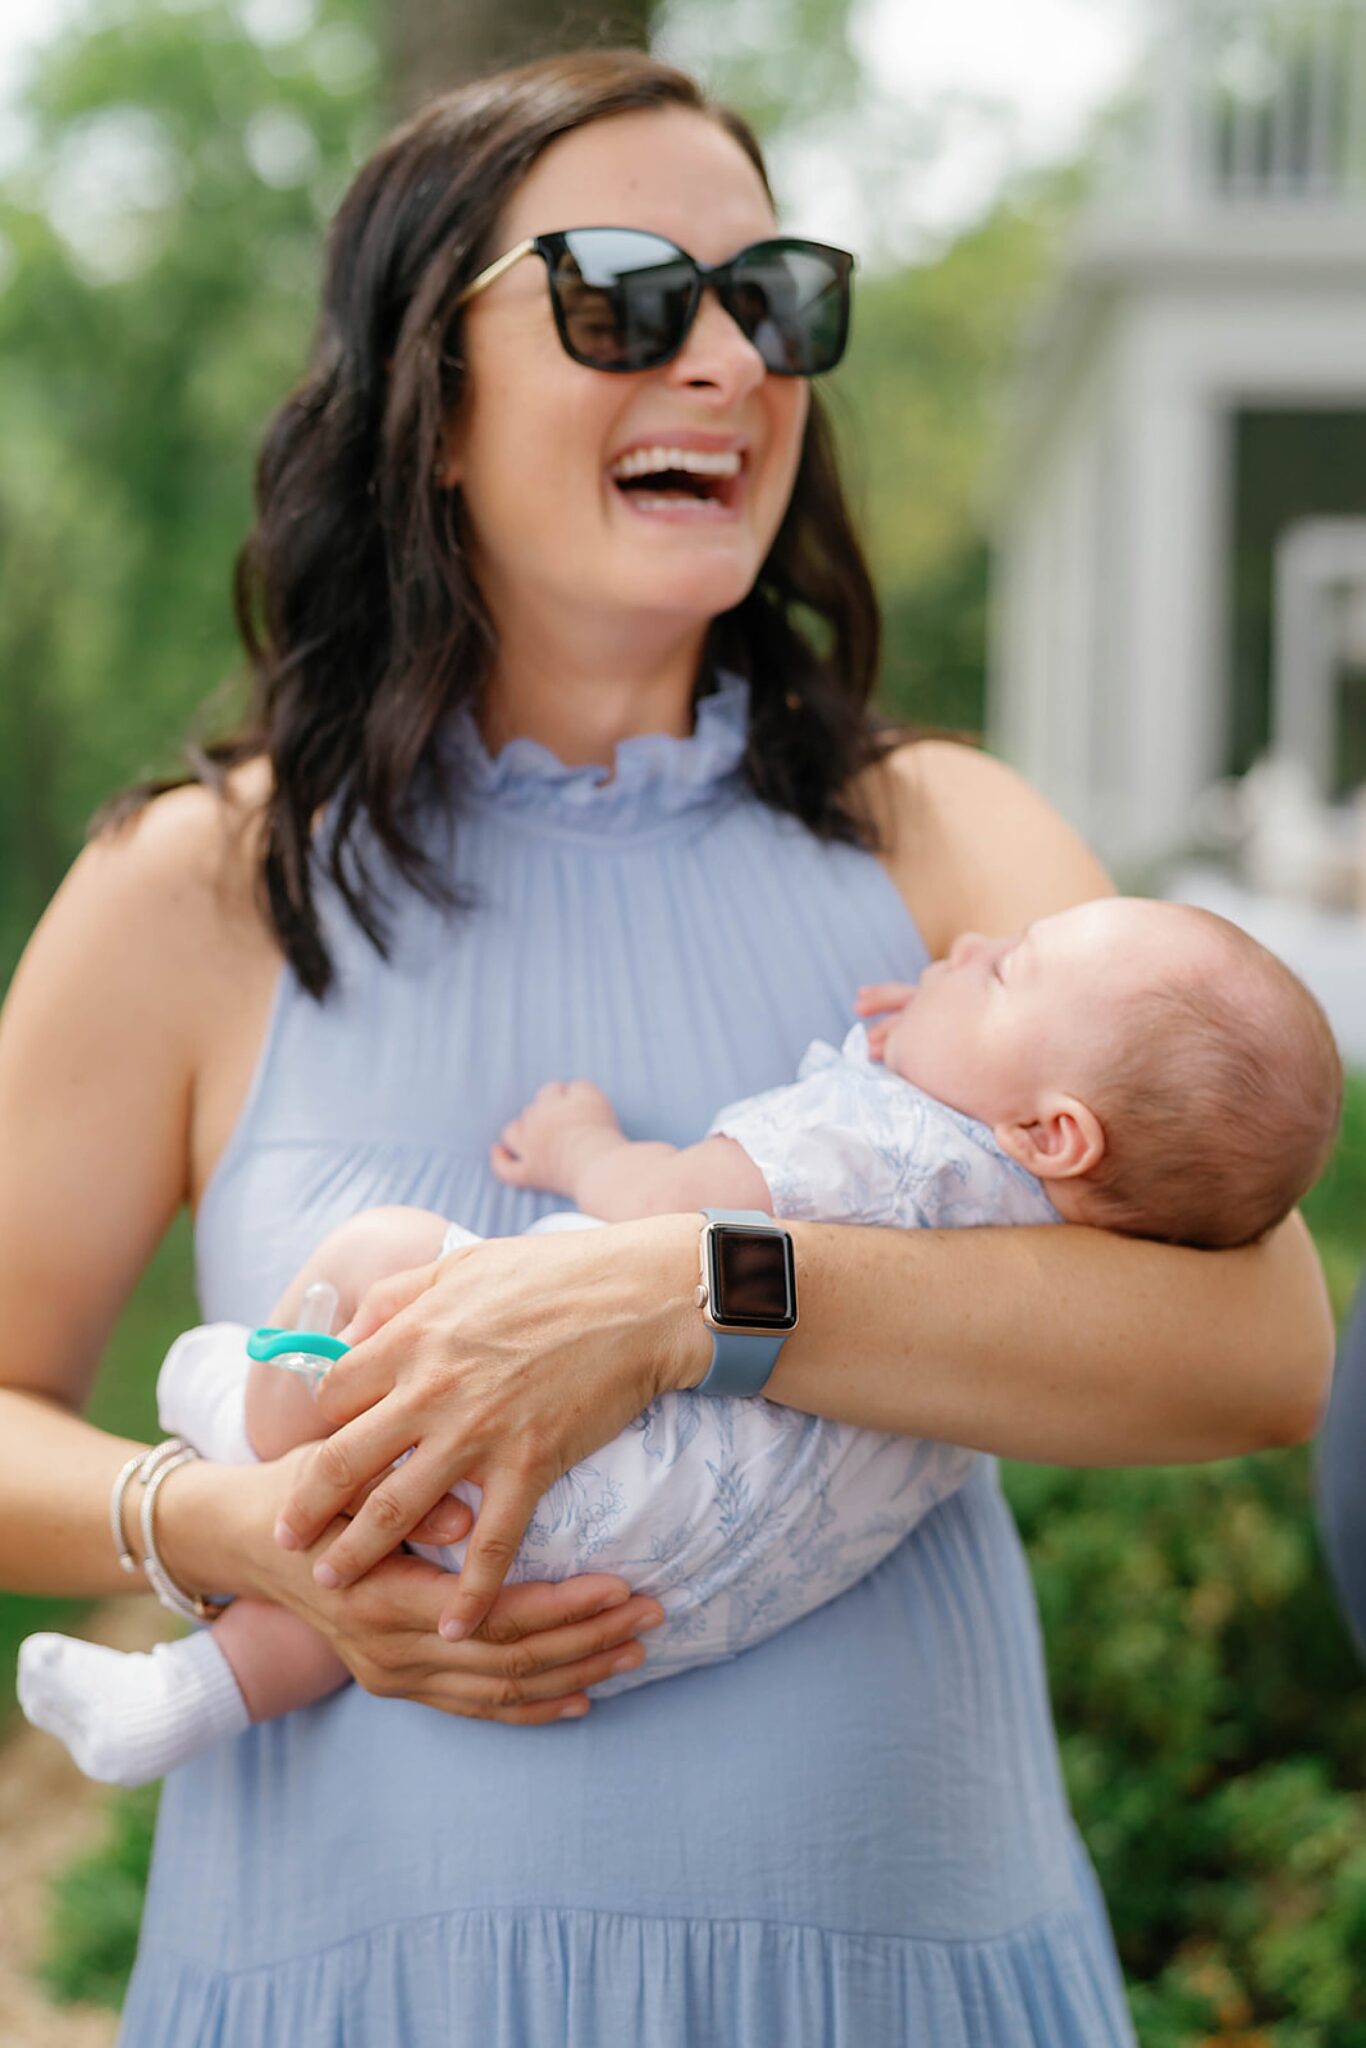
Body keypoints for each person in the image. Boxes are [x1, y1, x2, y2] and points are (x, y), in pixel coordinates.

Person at [0, 50, 1334, 2048]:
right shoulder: (199, 887)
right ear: (429, 400)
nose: (725, 358)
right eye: (624, 294)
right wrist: (218, 1526)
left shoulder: (948, 843)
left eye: (774, 298)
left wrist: (684, 1293)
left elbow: (1261, 1347)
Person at [17, 895, 1344, 1790]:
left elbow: (668, 1211)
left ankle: (250, 1411)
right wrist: (958, 1034)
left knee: (382, 1264)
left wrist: (582, 1145)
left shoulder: (874, 1136)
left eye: (1002, 970)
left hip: (588, 1468)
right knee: (401, 1586)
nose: (973, 941)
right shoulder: (1055, 1256)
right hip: (650, 1600)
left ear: (1053, 1130)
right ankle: (185, 1698)